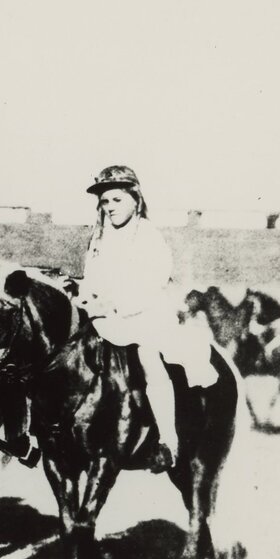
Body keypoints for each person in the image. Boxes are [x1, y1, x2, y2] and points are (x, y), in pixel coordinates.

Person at [76, 166, 217, 473]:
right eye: (104, 202)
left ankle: (167, 440)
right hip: (103, 315)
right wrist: (84, 298)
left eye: (116, 200)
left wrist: (114, 304)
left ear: (135, 200)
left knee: (148, 355)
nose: (109, 207)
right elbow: (91, 277)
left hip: (144, 315)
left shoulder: (149, 236)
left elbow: (154, 281)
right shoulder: (98, 238)